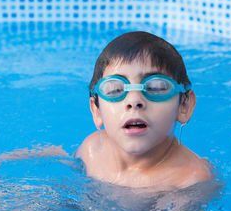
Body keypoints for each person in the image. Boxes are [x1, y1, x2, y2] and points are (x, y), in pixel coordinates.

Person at [75, 31, 213, 191]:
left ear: (184, 106)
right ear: (96, 110)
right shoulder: (91, 150)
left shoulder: (189, 180)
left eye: (156, 87)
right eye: (115, 89)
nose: (134, 101)